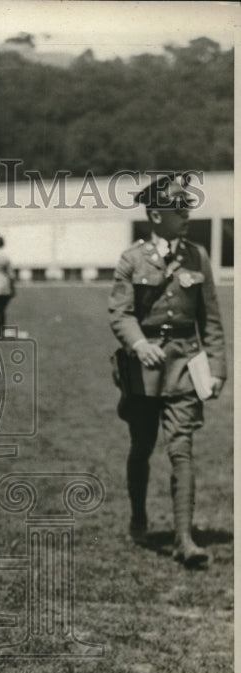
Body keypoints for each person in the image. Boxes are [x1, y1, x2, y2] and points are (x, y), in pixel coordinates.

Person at [108, 172, 227, 566]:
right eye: (179, 208)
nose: (187, 213)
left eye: (188, 206)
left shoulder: (198, 257)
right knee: (142, 446)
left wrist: (217, 368)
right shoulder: (132, 259)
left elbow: (210, 319)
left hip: (185, 368)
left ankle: (184, 539)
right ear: (156, 214)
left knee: (182, 451)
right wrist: (139, 344)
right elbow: (120, 314)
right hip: (143, 370)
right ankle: (139, 515)